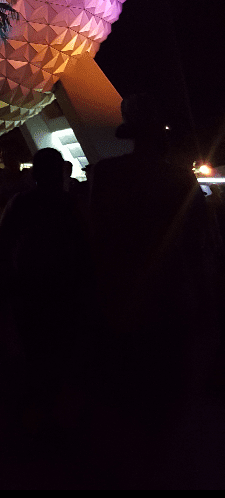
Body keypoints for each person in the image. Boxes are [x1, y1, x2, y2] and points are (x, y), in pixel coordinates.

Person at [90, 94, 218, 426]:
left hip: (119, 285)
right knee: (164, 380)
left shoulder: (107, 173)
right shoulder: (179, 179)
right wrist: (204, 295)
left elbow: (96, 234)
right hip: (168, 289)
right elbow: (196, 240)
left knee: (125, 379)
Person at [0, 147, 91, 431]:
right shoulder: (72, 204)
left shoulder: (20, 202)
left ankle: (34, 406)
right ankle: (55, 409)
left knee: (33, 346)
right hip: (64, 285)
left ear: (35, 173)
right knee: (60, 346)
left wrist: (5, 283)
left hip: (29, 283)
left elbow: (4, 244)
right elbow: (86, 246)